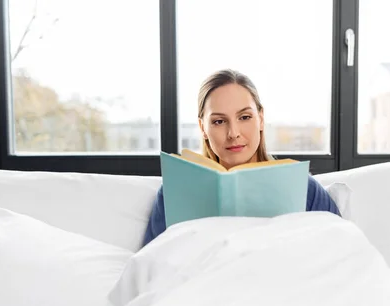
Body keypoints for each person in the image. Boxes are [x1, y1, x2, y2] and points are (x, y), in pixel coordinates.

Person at [143, 69, 340, 246]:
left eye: (244, 117)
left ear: (261, 119)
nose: (233, 133)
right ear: (203, 128)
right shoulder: (173, 192)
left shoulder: (304, 189)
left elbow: (343, 255)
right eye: (219, 121)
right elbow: (150, 268)